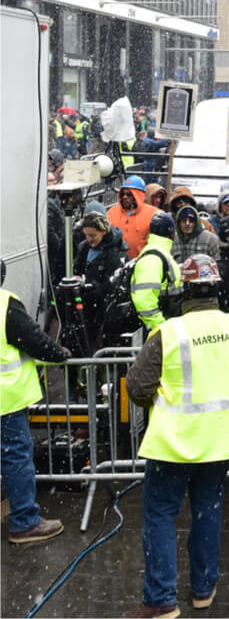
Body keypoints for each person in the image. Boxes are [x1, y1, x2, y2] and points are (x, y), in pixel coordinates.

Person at [123, 254, 229, 618]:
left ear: (181, 291)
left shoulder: (168, 332)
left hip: (174, 443)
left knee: (160, 516)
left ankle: (161, 601)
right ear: (217, 288)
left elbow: (137, 387)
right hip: (222, 440)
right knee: (207, 512)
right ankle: (203, 589)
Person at [1, 260, 71, 544]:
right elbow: (33, 339)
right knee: (16, 456)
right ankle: (24, 522)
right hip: (6, 399)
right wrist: (59, 353)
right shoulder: (5, 304)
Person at [73, 211, 130, 345]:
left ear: (103, 232)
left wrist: (89, 285)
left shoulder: (115, 253)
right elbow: (78, 268)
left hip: (104, 310)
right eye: (86, 235)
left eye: (93, 235)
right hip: (86, 306)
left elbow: (112, 285)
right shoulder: (84, 248)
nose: (89, 239)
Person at [131, 213, 184, 335]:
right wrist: (161, 327)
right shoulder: (153, 258)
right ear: (172, 233)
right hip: (160, 330)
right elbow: (143, 299)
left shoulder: (159, 254)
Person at [108, 175, 160, 259]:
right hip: (116, 263)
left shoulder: (153, 214)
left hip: (141, 263)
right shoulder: (112, 212)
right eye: (123, 194)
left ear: (138, 195)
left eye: (129, 194)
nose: (125, 197)